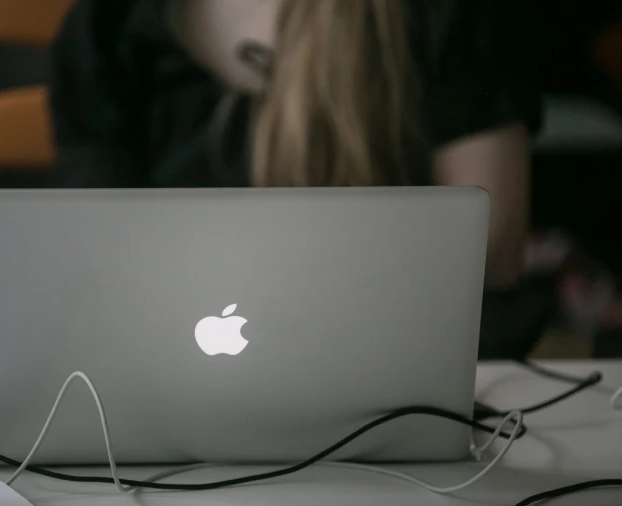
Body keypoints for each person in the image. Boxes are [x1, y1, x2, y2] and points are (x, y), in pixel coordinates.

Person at [49, 0, 542, 291]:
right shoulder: (109, 24)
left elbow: (491, 250)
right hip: (160, 382)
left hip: (376, 392)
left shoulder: (441, 14)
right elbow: (97, 264)